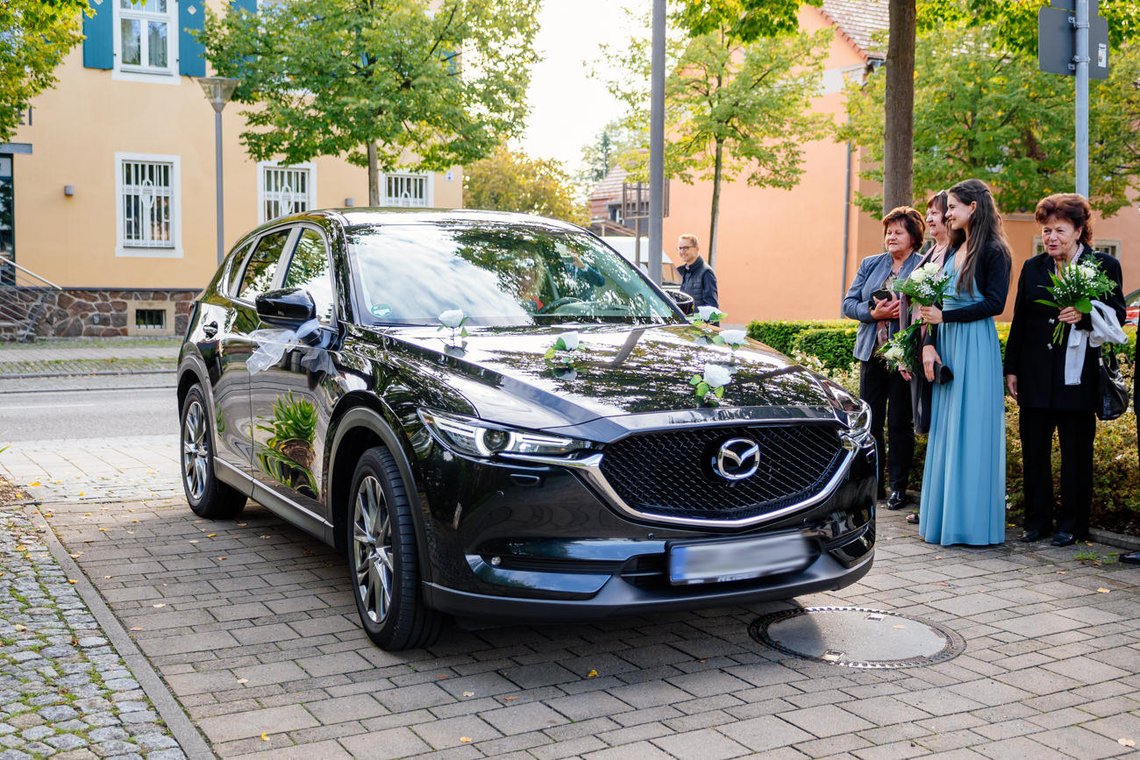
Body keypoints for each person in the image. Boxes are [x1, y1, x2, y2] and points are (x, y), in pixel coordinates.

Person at [1004, 193, 1125, 547]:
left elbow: (1117, 317)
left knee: (1076, 455)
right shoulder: (1033, 267)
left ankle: (1072, 525)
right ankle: (1036, 521)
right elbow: (1021, 320)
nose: (1051, 237)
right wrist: (1011, 368)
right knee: (1035, 451)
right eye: (1046, 230)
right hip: (1035, 375)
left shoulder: (1102, 265)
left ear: (1078, 230)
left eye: (1059, 229)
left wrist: (1084, 316)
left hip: (1079, 378)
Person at [914, 179, 1011, 545]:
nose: (948, 213)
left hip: (975, 345)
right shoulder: (954, 246)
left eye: (953, 207)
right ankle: (943, 518)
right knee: (947, 430)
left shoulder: (993, 250)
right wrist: (929, 343)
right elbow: (935, 306)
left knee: (971, 429)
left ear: (973, 207)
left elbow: (995, 305)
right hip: (948, 344)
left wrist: (947, 320)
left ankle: (971, 524)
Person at [843, 207, 925, 510]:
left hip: (903, 356)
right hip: (872, 353)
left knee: (900, 423)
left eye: (898, 231)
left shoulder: (923, 265)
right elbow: (848, 304)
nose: (891, 236)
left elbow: (927, 307)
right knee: (872, 422)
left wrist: (901, 312)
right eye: (888, 231)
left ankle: (898, 488)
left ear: (914, 237)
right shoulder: (870, 264)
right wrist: (872, 312)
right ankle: (873, 485)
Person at [676, 234, 718, 309]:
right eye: (680, 248)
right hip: (685, 320)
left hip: (698, 321)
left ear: (697, 248)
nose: (682, 251)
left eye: (686, 248)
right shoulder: (681, 272)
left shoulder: (706, 272)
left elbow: (712, 307)